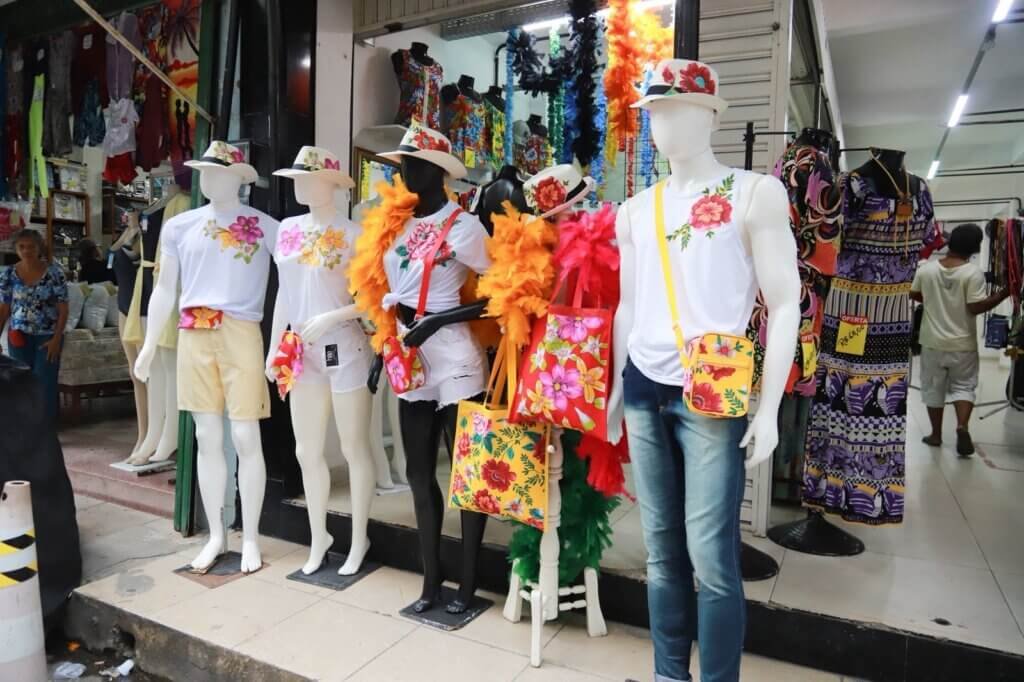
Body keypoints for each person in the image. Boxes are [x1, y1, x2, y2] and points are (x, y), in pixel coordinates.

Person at [911, 223, 1009, 456]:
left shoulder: (926, 269)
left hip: (932, 342)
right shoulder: (972, 273)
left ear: (951, 242)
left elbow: (914, 293)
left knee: (933, 389)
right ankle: (962, 426)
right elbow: (975, 307)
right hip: (963, 345)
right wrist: (1003, 294)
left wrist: (934, 298)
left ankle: (935, 435)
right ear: (974, 247)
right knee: (964, 387)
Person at [0, 229, 69, 420]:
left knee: (44, 383)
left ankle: (45, 429)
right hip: (18, 336)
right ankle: (25, 428)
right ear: (15, 249)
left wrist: (56, 339)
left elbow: (63, 309)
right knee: (20, 383)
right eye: (21, 247)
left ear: (39, 248)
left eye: (31, 247)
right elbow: (4, 309)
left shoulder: (54, 273)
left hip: (47, 336)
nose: (26, 251)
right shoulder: (8, 274)